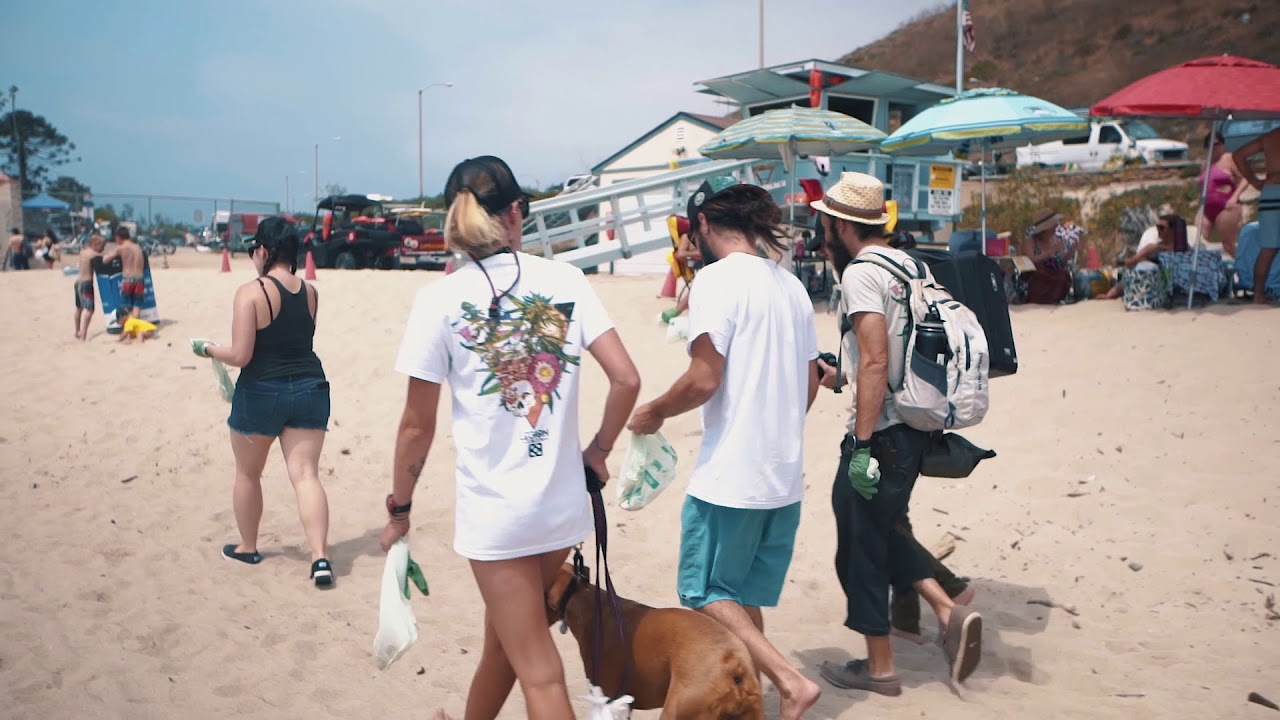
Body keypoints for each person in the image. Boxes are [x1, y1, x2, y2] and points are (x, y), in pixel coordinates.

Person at [380, 155, 640, 720]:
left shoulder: (438, 301)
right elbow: (627, 378)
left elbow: (415, 426)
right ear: (516, 213)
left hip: (497, 514)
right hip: (559, 504)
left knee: (541, 674)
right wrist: (597, 450)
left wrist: (400, 506)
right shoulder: (566, 281)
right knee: (507, 642)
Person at [627, 176, 823, 720]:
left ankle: (789, 682)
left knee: (705, 590)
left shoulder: (717, 282)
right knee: (742, 596)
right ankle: (750, 704)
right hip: (783, 476)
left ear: (706, 225)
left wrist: (653, 411)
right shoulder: (792, 286)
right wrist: (775, 424)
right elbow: (810, 382)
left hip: (733, 475)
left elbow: (703, 379)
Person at [809, 172, 981, 696]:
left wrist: (861, 446)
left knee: (860, 546)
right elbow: (886, 355)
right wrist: (839, 373)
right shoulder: (909, 263)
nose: (820, 228)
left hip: (882, 432)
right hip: (914, 425)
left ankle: (881, 667)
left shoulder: (862, 272)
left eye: (824, 220)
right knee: (879, 529)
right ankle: (945, 609)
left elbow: (879, 358)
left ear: (841, 225)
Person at [194, 217, 334, 588]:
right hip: (310, 388)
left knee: (248, 473)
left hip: (261, 392)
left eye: (254, 249)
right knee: (306, 475)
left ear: (263, 250)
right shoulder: (310, 292)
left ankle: (248, 546)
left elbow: (241, 355)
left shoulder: (250, 292)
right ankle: (320, 557)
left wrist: (207, 349)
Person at [1233, 127, 1280, 305]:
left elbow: (1238, 155)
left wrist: (1254, 181)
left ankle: (1258, 294)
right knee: (1269, 248)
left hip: (1270, 191)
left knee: (1268, 248)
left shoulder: (1271, 137)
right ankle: (1259, 294)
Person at [1102, 214, 1189, 300]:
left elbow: (1133, 260)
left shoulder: (1156, 248)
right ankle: (1109, 294)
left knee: (1134, 273)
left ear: (1173, 230)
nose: (1158, 230)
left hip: (1162, 283)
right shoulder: (1157, 247)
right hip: (1154, 281)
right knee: (1133, 273)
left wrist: (1126, 262)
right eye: (1157, 227)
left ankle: (1109, 293)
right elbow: (1135, 260)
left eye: (1161, 227)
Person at [1200, 132, 1246, 258]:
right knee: (1198, 239)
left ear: (1222, 144)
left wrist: (1235, 197)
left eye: (1216, 144)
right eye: (1210, 145)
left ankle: (1242, 264)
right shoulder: (1206, 163)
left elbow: (1245, 179)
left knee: (1227, 243)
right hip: (1207, 207)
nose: (1214, 147)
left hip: (1227, 205)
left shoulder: (1230, 158)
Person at [1020, 208, 1075, 304]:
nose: (1056, 226)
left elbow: (1062, 261)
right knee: (1040, 276)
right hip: (1036, 274)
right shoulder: (1031, 241)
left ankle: (1054, 299)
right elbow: (1031, 260)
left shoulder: (1055, 239)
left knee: (1063, 275)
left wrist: (1070, 252)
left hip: (1053, 273)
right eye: (1053, 224)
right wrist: (1050, 252)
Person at [101, 226, 146, 318]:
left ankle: (128, 327)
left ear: (118, 237)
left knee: (125, 305)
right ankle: (135, 327)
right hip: (140, 279)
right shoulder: (137, 247)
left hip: (128, 280)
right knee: (137, 305)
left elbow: (105, 260)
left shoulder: (121, 248)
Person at [73, 234, 105, 340]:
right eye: (102, 246)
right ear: (95, 244)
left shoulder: (82, 252)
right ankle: (83, 334)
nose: (103, 249)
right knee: (90, 309)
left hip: (78, 282)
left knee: (79, 308)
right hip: (87, 283)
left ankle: (77, 331)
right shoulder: (94, 255)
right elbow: (103, 264)